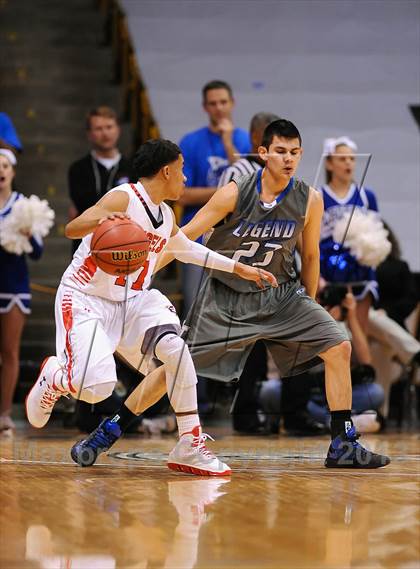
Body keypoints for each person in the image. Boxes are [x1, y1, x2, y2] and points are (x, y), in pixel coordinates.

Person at [73, 119, 391, 469]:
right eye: (281, 151)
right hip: (226, 298)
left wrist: (310, 305)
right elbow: (182, 238)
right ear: (263, 153)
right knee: (175, 368)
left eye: (295, 153)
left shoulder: (309, 199)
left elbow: (311, 256)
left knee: (338, 345)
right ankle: (109, 430)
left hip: (280, 294)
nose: (288, 159)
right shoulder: (234, 192)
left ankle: (342, 443)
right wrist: (140, 277)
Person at [25, 138, 276, 475]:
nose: (186, 179)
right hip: (87, 299)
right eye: (183, 170)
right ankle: (57, 378)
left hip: (133, 301)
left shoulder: (165, 215)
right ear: (167, 170)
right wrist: (101, 220)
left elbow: (187, 248)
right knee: (95, 388)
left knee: (177, 353)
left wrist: (240, 268)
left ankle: (189, 444)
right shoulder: (123, 197)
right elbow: (72, 228)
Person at [260, 289, 385, 435]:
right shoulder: (301, 318)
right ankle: (340, 422)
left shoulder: (344, 324)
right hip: (309, 392)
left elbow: (366, 361)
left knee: (375, 392)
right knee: (270, 390)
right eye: (319, 298)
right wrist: (321, 324)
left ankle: (327, 421)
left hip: (338, 391)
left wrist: (352, 317)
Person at [179, 80, 250, 313]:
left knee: (234, 313)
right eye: (213, 103)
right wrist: (227, 192)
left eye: (223, 102)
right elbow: (182, 195)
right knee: (194, 310)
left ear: (232, 103)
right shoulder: (190, 143)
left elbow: (249, 188)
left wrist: (229, 144)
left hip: (236, 239)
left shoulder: (245, 140)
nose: (218, 108)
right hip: (196, 237)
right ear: (204, 107)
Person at [0, 149, 43, 433]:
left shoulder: (24, 207)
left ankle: (4, 414)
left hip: (14, 286)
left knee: (10, 352)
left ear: (13, 172)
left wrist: (29, 234)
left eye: (4, 166)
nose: (0, 171)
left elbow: (38, 252)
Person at [319, 136, 381, 330]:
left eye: (352, 158)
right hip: (329, 275)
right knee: (333, 336)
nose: (348, 162)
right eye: (342, 158)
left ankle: (361, 362)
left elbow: (377, 234)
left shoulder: (366, 195)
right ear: (329, 164)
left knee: (358, 333)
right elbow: (310, 239)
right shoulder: (317, 196)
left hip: (361, 273)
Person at [68, 106, 134, 252]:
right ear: (89, 134)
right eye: (98, 128)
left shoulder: (132, 167)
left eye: (109, 127)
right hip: (86, 245)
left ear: (118, 129)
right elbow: (82, 205)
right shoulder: (78, 169)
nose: (105, 133)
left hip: (123, 243)